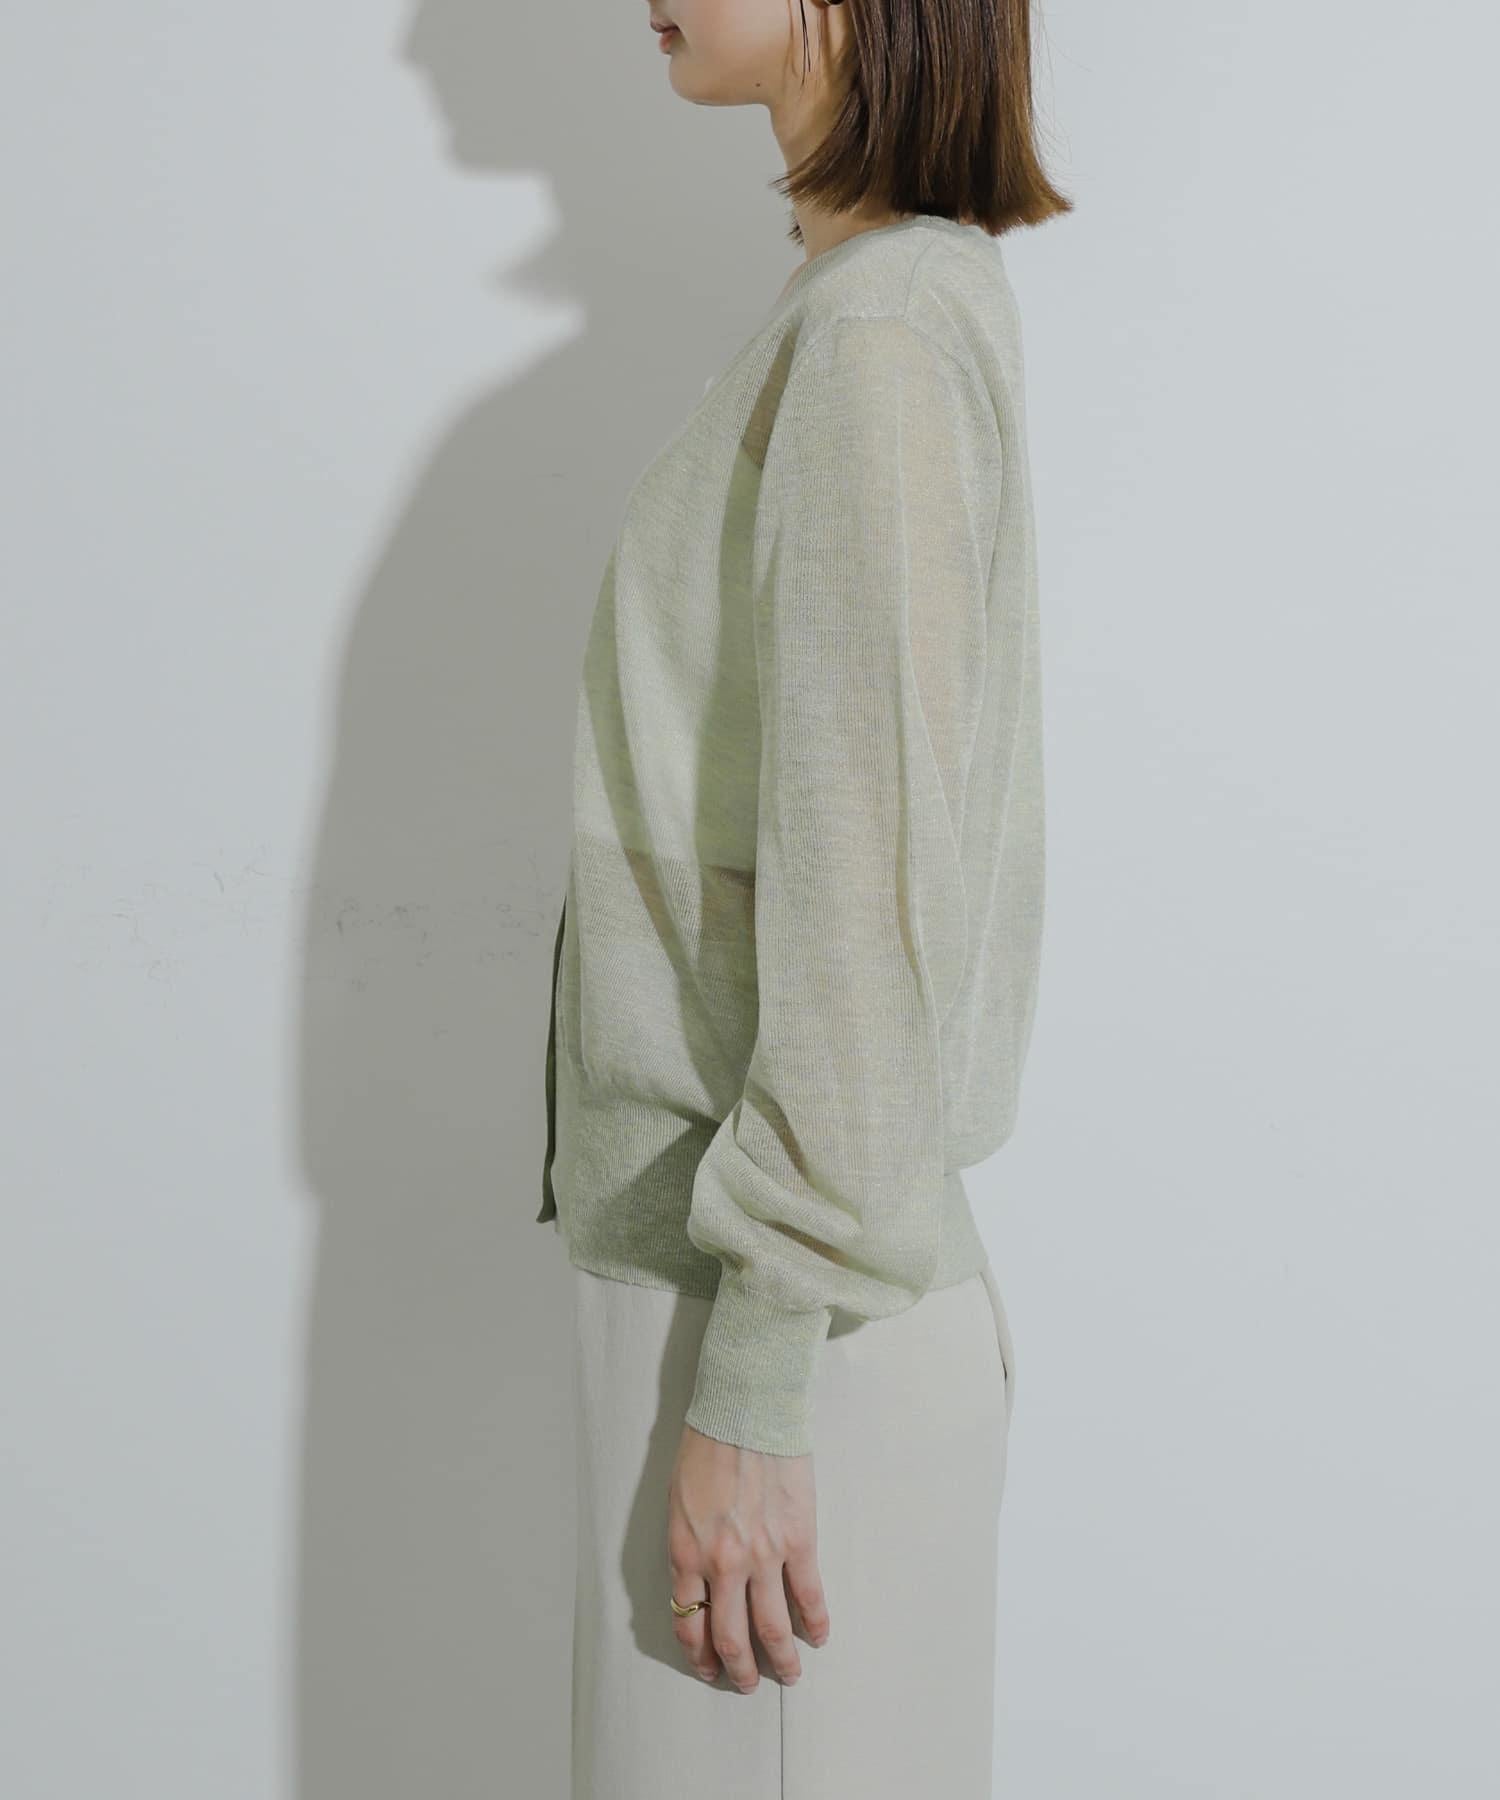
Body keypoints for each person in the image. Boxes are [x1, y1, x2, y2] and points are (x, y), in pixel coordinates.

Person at [537, 2, 1070, 1791]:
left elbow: (866, 893)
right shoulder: (868, 309)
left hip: (780, 1337)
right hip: (760, 1303)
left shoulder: (880, 337)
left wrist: (757, 1384)